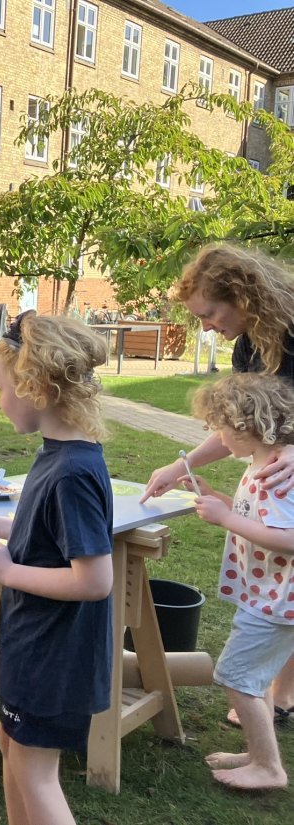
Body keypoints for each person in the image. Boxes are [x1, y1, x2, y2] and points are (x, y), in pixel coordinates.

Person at [0, 312, 113, 825]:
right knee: (11, 747)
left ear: (36, 388)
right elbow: (53, 537)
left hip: (55, 657)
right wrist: (4, 526)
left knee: (36, 772)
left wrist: (5, 571)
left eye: (3, 389)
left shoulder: (72, 473)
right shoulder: (58, 454)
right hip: (34, 647)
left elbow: (94, 580)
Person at [142, 244, 294, 728]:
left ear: (243, 296)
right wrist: (179, 465)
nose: (206, 327)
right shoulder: (249, 345)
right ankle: (274, 696)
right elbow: (241, 424)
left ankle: (278, 696)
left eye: (208, 314)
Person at [185, 372, 294, 791]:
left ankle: (269, 768)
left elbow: (288, 538)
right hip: (266, 594)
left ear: (247, 427)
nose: (216, 437)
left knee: (236, 676)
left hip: (277, 600)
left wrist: (226, 520)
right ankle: (258, 753)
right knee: (255, 679)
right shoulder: (261, 463)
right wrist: (219, 500)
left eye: (220, 428)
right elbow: (257, 516)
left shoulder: (278, 475)